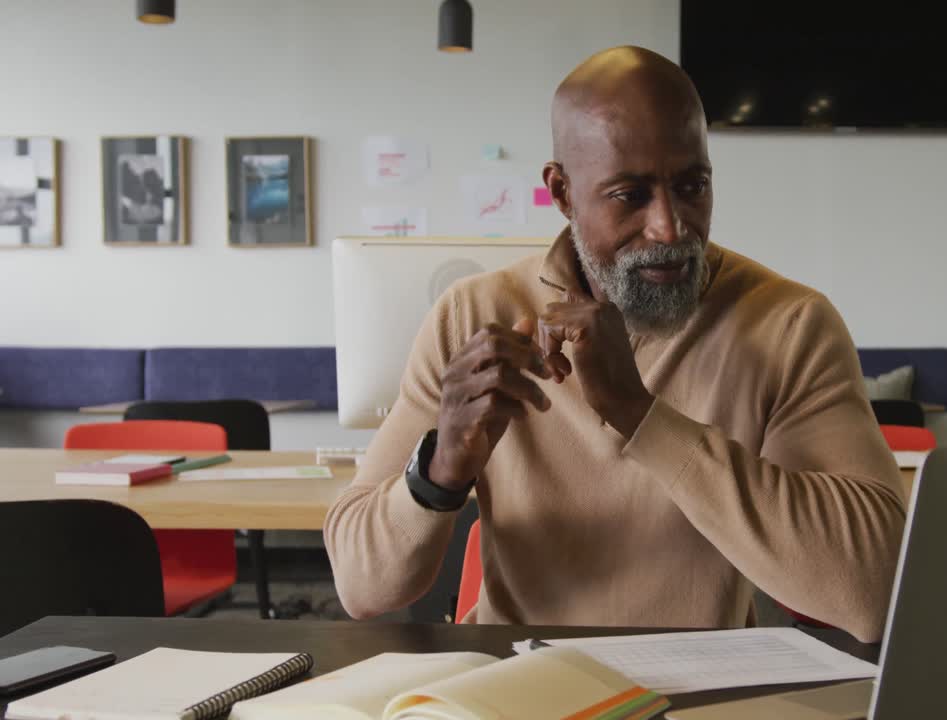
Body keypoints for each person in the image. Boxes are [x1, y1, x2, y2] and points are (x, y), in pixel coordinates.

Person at [324, 46, 905, 641]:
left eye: (692, 186)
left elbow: (874, 591)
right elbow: (363, 588)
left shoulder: (789, 325)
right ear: (562, 192)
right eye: (630, 195)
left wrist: (640, 415)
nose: (670, 228)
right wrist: (439, 472)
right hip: (519, 678)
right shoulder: (472, 317)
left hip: (703, 681)